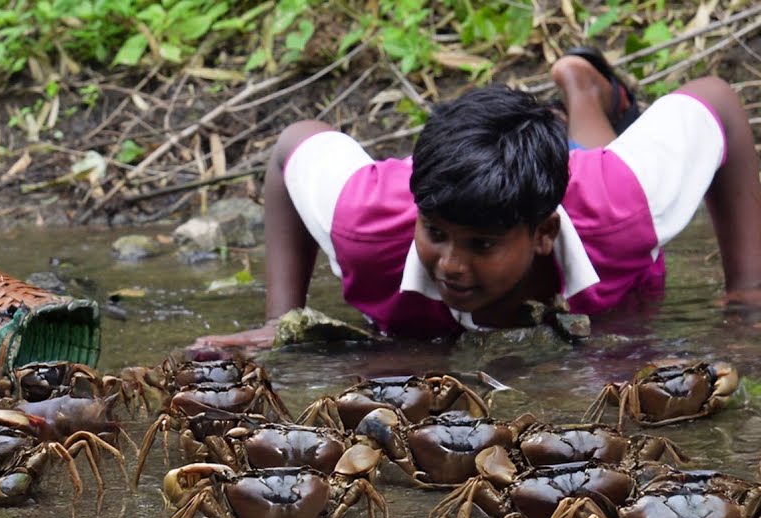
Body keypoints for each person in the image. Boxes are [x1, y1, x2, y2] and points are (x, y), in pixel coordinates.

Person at [190, 48, 761, 351]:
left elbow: (717, 101)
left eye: (482, 245)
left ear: (544, 234)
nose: (452, 265)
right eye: (436, 234)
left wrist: (746, 293)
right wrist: (281, 319)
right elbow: (291, 145)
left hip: (592, 195)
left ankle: (584, 90)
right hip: (458, 185)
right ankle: (578, 92)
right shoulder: (364, 221)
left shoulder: (625, 208)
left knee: (594, 163)